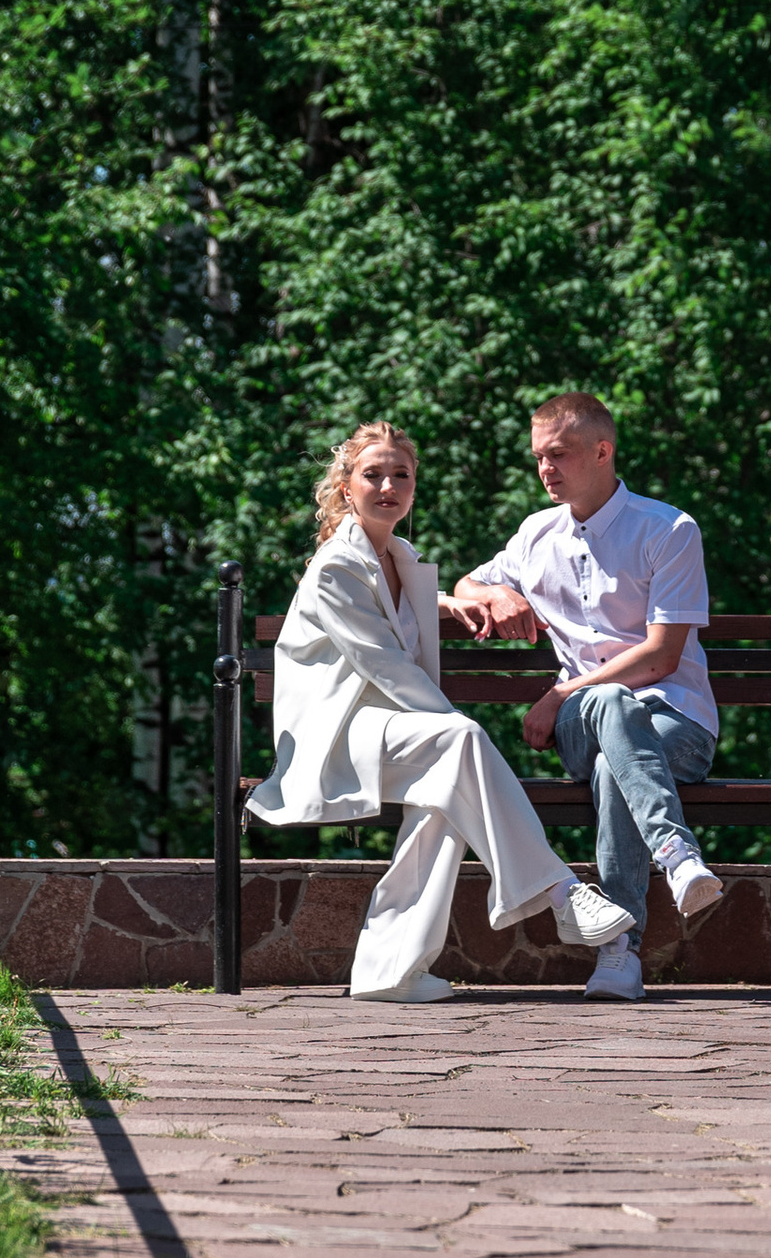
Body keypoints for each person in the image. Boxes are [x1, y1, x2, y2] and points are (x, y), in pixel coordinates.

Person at [247, 422, 635, 1004]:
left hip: (391, 734)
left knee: (449, 786)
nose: (387, 485)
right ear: (346, 486)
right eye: (372, 474)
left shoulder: (397, 558)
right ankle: (559, 892)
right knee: (458, 746)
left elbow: (401, 611)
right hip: (338, 739)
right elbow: (389, 670)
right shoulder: (335, 567)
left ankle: (388, 971)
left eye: (400, 474)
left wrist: (453, 600)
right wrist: (454, 727)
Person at [450, 391, 722, 1007]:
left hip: (676, 722)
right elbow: (468, 582)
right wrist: (496, 597)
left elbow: (661, 658)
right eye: (539, 458)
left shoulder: (669, 529)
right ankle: (676, 855)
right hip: (584, 722)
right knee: (610, 711)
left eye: (560, 455)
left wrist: (560, 693)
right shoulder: (534, 534)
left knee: (612, 752)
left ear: (602, 451)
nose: (546, 470)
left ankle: (618, 951)